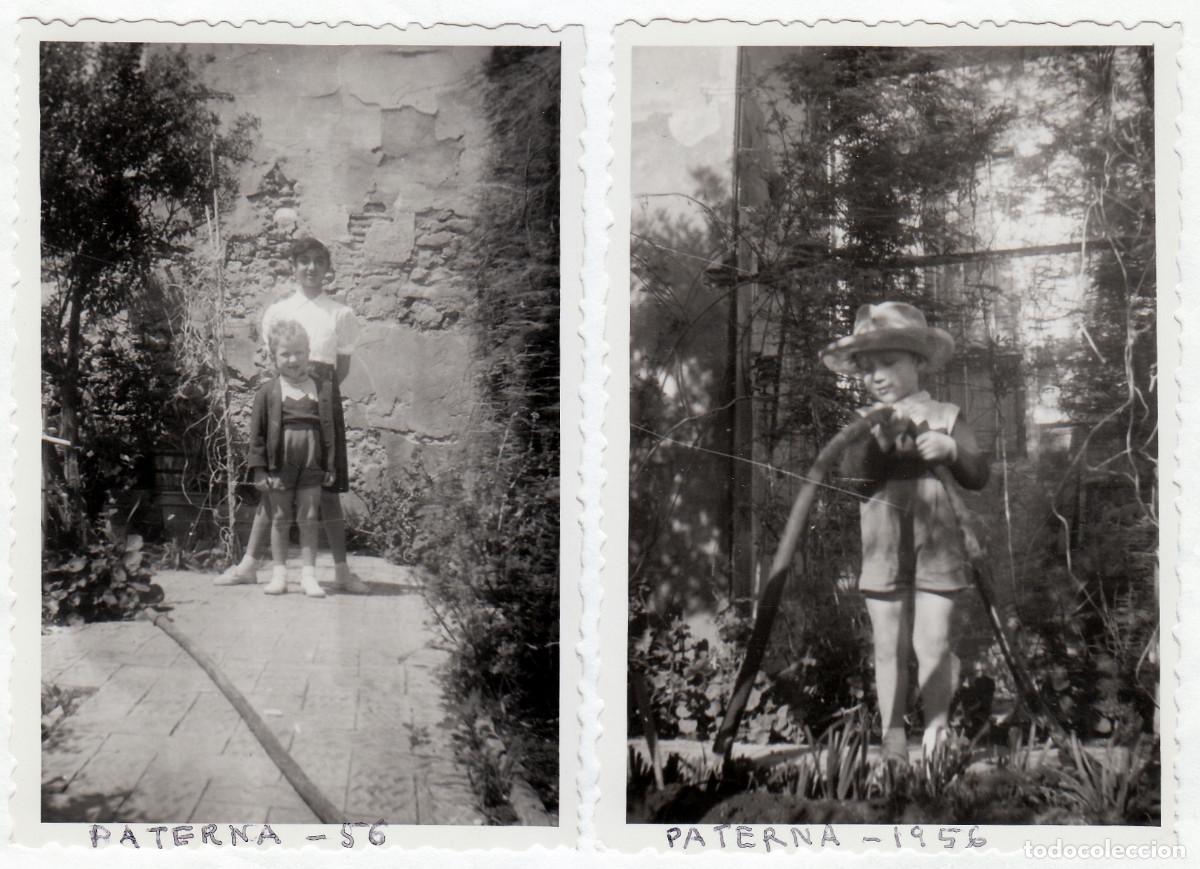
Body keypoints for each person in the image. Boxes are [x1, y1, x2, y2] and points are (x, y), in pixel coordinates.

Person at [821, 301, 989, 761]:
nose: (876, 376)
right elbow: (852, 480)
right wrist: (874, 446)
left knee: (933, 639)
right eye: (867, 367)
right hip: (883, 543)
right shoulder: (862, 422)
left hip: (937, 541)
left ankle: (936, 734)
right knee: (887, 641)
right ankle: (893, 740)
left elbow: (978, 474)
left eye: (889, 363)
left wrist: (952, 449)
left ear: (918, 361)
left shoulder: (946, 414)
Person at [217, 237, 369, 594]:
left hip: (322, 403)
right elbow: (274, 356)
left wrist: (319, 396)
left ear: (328, 267)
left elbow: (340, 367)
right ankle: (250, 565)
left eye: (319, 260)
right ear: (294, 266)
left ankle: (342, 571)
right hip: (284, 405)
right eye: (304, 260)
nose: (311, 268)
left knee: (327, 491)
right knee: (275, 489)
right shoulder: (280, 311)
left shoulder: (339, 313)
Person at [247, 319, 334, 597]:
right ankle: (279, 574)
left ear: (309, 353)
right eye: (285, 354)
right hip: (280, 462)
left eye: (299, 352)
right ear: (274, 357)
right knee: (281, 517)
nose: (293, 359)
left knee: (309, 516)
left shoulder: (321, 389)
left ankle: (309, 576)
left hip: (312, 459)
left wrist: (330, 465)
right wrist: (259, 470)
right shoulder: (268, 392)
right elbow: (257, 435)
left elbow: (330, 430)